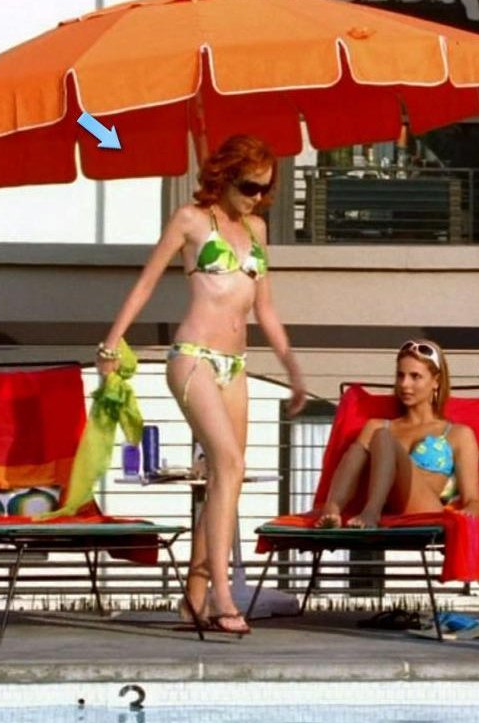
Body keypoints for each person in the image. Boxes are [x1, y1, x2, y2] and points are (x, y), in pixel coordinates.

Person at [97, 134, 306, 635]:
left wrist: (292, 367)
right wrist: (111, 344)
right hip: (193, 358)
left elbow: (265, 309)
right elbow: (146, 284)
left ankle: (193, 596)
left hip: (236, 364)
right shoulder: (191, 220)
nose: (258, 197)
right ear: (225, 177)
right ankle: (221, 594)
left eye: (265, 189)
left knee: (224, 478)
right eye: (250, 186)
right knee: (229, 464)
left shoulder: (256, 229)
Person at [315, 339, 479, 529]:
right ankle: (331, 509)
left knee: (382, 436)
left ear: (436, 381)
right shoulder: (378, 425)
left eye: (415, 376)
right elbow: (352, 466)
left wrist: (470, 515)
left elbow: (472, 500)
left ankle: (371, 513)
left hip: (426, 510)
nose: (404, 384)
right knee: (367, 439)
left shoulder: (458, 434)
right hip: (391, 505)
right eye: (400, 375)